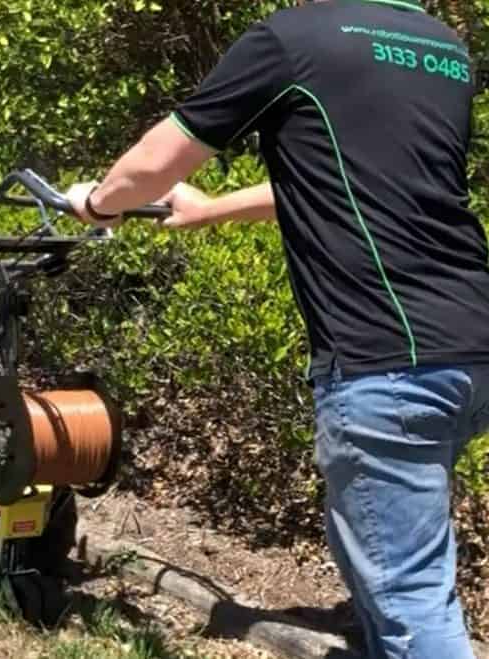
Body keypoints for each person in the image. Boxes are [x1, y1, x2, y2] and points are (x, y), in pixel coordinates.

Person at [66, 1, 488, 658]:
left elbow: (157, 161)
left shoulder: (292, 40)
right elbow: (349, 180)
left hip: (387, 361)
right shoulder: (445, 51)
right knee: (383, 556)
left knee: (409, 597)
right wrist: (210, 213)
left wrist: (96, 203)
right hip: (472, 345)